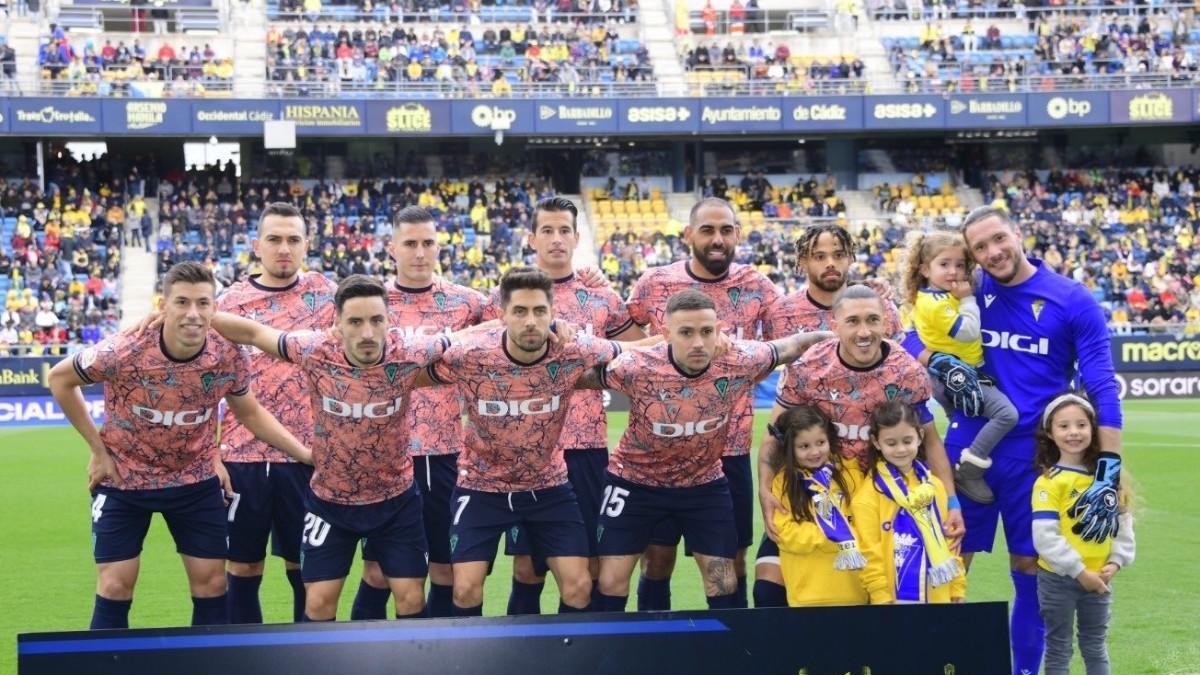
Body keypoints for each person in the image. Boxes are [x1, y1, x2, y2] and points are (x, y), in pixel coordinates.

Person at [906, 205, 1123, 675]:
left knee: (1031, 572)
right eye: (979, 248)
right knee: (947, 566)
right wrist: (934, 359)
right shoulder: (966, 290)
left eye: (998, 239)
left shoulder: (1072, 300)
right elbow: (905, 334)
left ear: (1018, 233)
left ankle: (1025, 671)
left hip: (1039, 463)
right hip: (967, 455)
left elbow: (1102, 386)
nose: (993, 252)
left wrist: (1107, 473)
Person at [47, 262, 313, 630]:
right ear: (163, 305)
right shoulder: (126, 349)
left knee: (212, 583)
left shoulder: (227, 354)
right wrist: (98, 450)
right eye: (183, 302)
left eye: (203, 303)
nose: (193, 313)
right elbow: (59, 379)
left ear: (214, 308)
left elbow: (248, 411)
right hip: (124, 482)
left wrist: (304, 454)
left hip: (194, 482)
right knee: (115, 584)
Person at [207, 274, 453, 621]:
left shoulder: (410, 353)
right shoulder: (314, 350)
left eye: (376, 320)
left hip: (396, 501)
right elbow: (252, 333)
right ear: (337, 323)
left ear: (389, 322)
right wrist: (192, 315)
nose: (367, 332)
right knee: (319, 602)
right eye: (355, 321)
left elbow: (469, 339)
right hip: (330, 501)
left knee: (411, 599)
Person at [578, 290, 826, 612]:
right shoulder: (635, 366)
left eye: (707, 332)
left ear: (719, 329)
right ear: (666, 333)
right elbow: (579, 378)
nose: (698, 342)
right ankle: (610, 656)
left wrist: (841, 337)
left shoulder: (740, 360)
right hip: (634, 482)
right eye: (686, 332)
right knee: (611, 580)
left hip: (704, 484)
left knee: (723, 581)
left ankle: (731, 656)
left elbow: (793, 346)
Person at [422, 267, 634, 617]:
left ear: (553, 315)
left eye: (539, 311)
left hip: (548, 486)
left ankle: (568, 660)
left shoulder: (572, 351)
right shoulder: (471, 354)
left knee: (580, 585)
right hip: (481, 486)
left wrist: (683, 342)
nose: (530, 321)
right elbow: (410, 372)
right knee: (465, 588)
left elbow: (631, 350)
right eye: (520, 311)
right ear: (503, 315)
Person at [482, 197, 645, 615]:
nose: (556, 239)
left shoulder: (601, 298)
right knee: (527, 569)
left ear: (577, 236)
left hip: (586, 448)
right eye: (547, 231)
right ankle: (527, 658)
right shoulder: (507, 296)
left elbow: (637, 356)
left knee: (587, 567)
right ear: (532, 237)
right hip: (526, 453)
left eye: (564, 231)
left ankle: (580, 656)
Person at [759, 284, 964, 600]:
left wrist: (951, 501)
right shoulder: (809, 367)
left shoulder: (907, 371)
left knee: (886, 592)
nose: (864, 331)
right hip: (822, 494)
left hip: (884, 496)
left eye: (872, 320)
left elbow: (932, 442)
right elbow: (775, 433)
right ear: (834, 324)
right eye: (853, 321)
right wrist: (764, 487)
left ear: (886, 323)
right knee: (768, 590)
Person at [625, 197, 781, 610]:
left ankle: (735, 650)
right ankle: (655, 648)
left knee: (731, 560)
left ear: (738, 235)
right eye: (708, 230)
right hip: (659, 455)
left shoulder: (758, 286)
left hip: (727, 449)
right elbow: (622, 336)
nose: (717, 239)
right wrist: (657, 345)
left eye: (726, 230)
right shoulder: (654, 283)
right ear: (688, 235)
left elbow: (788, 334)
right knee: (657, 559)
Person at [753, 223, 903, 607]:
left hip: (868, 475)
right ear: (803, 261)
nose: (830, 264)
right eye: (819, 256)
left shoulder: (878, 308)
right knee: (770, 588)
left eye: (838, 254)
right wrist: (766, 486)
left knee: (871, 584)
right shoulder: (781, 311)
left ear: (851, 257)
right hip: (803, 469)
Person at [352, 206, 489, 621]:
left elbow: (518, 323)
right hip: (386, 458)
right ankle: (365, 657)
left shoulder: (468, 303)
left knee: (447, 568)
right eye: (409, 243)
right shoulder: (370, 304)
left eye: (427, 242)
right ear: (391, 247)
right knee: (379, 571)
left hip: (450, 454)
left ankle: (445, 656)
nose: (419, 252)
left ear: (438, 245)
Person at [216, 202, 336, 624]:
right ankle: (245, 662)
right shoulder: (229, 302)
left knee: (306, 572)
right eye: (274, 239)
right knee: (243, 569)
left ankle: (308, 662)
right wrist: (210, 454)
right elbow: (204, 381)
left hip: (307, 457)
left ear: (307, 245)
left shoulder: (328, 295)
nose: (284, 248)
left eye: (293, 240)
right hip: (240, 459)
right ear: (256, 246)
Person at [901, 230, 1017, 504]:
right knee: (1006, 415)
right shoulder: (936, 303)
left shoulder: (933, 297)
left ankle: (951, 470)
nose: (953, 271)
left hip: (951, 375)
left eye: (960, 265)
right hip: (955, 376)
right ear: (925, 269)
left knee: (962, 422)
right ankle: (971, 468)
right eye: (944, 264)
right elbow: (967, 331)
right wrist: (967, 300)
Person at [1033, 393, 1135, 675]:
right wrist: (1079, 572)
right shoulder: (1049, 481)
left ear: (1093, 429)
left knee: (1095, 645)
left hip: (1100, 578)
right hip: (1058, 579)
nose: (1073, 432)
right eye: (1064, 426)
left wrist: (1115, 562)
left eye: (1081, 424)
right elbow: (1045, 537)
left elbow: (1123, 525)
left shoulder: (1106, 479)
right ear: (1050, 433)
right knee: (1059, 647)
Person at [852, 400, 965, 604]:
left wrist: (957, 587)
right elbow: (869, 551)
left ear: (920, 437)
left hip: (939, 596)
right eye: (891, 443)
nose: (901, 449)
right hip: (892, 601)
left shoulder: (935, 486)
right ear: (876, 443)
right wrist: (881, 596)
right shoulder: (868, 495)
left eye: (907, 440)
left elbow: (950, 541)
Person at [768, 405, 867, 607]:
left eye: (820, 443)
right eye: (804, 446)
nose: (814, 452)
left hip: (854, 592)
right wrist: (833, 535)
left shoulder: (852, 475)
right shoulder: (784, 483)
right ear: (789, 448)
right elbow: (784, 533)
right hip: (806, 595)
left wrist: (844, 532)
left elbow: (866, 525)